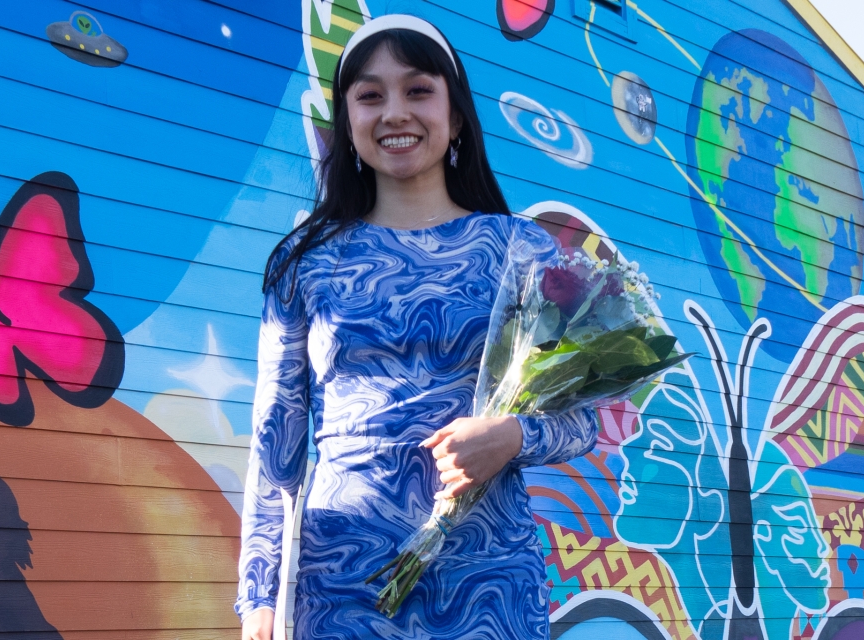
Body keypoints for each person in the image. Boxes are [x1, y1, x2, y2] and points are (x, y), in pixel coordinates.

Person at [237, 14, 598, 640]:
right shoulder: (303, 263)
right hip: (341, 580)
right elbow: (275, 444)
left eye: (418, 90)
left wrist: (513, 436)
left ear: (455, 115)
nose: (394, 112)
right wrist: (260, 595)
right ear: (348, 122)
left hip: (489, 580)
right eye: (370, 96)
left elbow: (584, 419)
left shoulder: (523, 253)